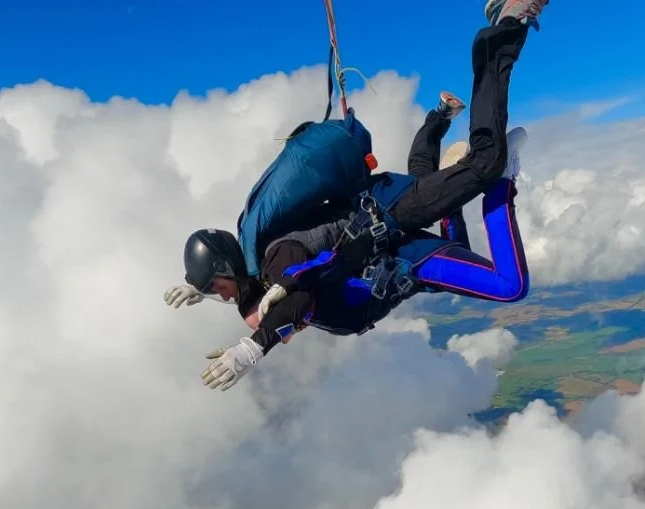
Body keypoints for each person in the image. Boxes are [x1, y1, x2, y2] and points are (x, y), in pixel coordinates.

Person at [166, 0, 550, 391]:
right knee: (429, 188)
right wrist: (203, 287)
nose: (261, 319)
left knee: (488, 178)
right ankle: (443, 140)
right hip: (398, 244)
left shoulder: (277, 260)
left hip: (390, 217)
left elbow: (298, 298)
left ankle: (504, 29)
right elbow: (275, 297)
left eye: (218, 287)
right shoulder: (259, 276)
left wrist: (254, 346)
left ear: (229, 271)